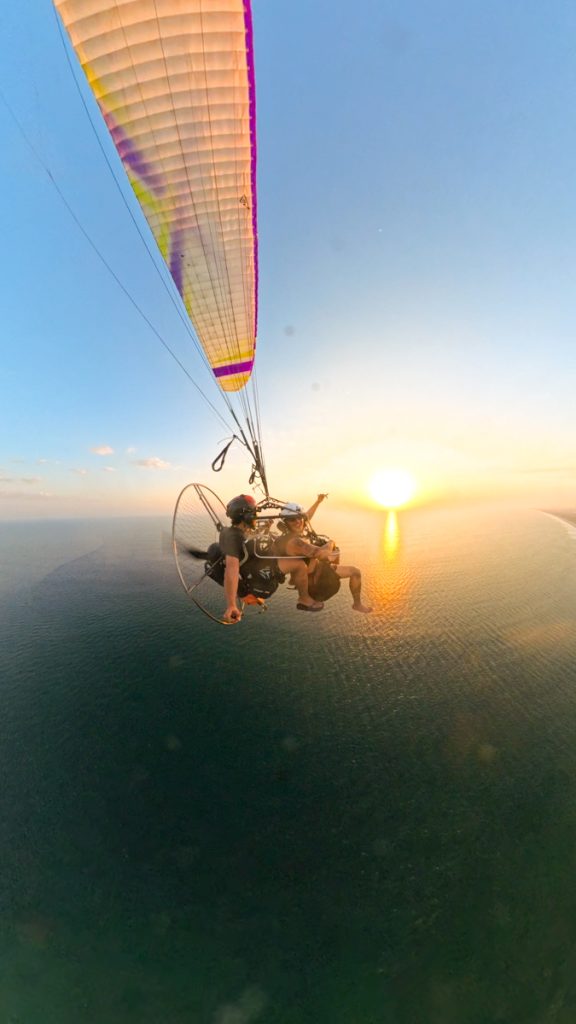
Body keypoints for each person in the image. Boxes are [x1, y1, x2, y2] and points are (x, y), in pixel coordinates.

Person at [219, 495, 324, 623]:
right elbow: (232, 569)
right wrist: (231, 605)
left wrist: (265, 529)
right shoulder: (233, 538)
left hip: (258, 566)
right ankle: (304, 599)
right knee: (299, 565)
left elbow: (248, 539)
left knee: (291, 552)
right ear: (245, 516)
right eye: (254, 512)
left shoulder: (236, 532)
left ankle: (297, 581)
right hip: (260, 576)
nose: (256, 515)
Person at [274, 496, 373, 613]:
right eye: (292, 519)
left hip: (319, 569)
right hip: (314, 581)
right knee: (331, 552)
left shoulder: (297, 530)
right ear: (285, 523)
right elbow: (320, 554)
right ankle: (304, 598)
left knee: (355, 572)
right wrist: (331, 543)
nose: (297, 521)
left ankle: (357, 604)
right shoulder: (292, 541)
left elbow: (307, 516)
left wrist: (318, 501)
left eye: (299, 517)